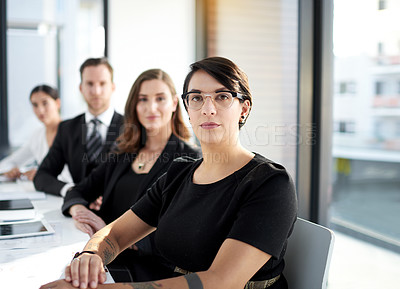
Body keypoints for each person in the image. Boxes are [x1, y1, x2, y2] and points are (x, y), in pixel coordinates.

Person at [40, 56, 297, 289]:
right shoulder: (179, 172)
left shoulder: (270, 183)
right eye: (196, 98)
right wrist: (91, 256)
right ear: (187, 108)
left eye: (222, 96)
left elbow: (222, 282)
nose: (207, 108)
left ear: (244, 108)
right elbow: (115, 234)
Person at [61, 68, 201, 281]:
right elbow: (80, 190)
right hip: (105, 256)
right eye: (143, 99)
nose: (151, 107)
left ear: (174, 103)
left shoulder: (189, 158)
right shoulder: (122, 152)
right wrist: (79, 210)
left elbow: (181, 231)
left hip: (151, 271)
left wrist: (112, 234)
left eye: (160, 99)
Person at [33, 57, 124, 197]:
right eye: (90, 84)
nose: (96, 91)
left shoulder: (130, 127)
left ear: (112, 87)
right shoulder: (67, 129)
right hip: (78, 209)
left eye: (102, 83)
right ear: (81, 88)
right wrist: (71, 190)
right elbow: (42, 176)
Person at [0, 85, 72, 183]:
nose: (40, 110)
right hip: (47, 195)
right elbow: (11, 162)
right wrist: (11, 171)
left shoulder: (72, 131)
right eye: (35, 105)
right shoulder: (38, 136)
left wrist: (41, 174)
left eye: (45, 103)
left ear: (57, 103)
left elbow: (76, 174)